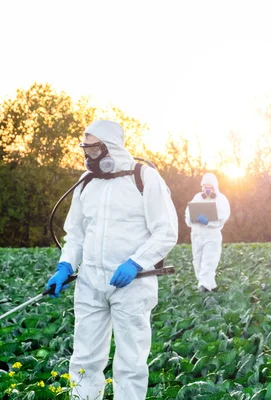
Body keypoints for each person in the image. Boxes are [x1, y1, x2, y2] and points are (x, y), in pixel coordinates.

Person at [45, 120, 178, 400]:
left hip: (132, 283)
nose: (88, 156)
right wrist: (66, 265)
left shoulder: (143, 177)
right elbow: (76, 234)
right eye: (85, 149)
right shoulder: (86, 182)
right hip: (90, 281)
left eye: (93, 150)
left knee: (130, 363)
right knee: (84, 359)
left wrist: (136, 262)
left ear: (110, 147)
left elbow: (166, 231)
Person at [185, 172, 230, 292]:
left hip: (212, 235)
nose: (207, 190)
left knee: (209, 260)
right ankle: (211, 287)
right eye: (205, 187)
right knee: (197, 262)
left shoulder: (221, 199)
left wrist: (209, 222)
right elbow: (188, 213)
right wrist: (194, 218)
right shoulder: (197, 197)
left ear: (215, 187)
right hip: (197, 235)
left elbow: (223, 215)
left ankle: (204, 287)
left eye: (210, 187)